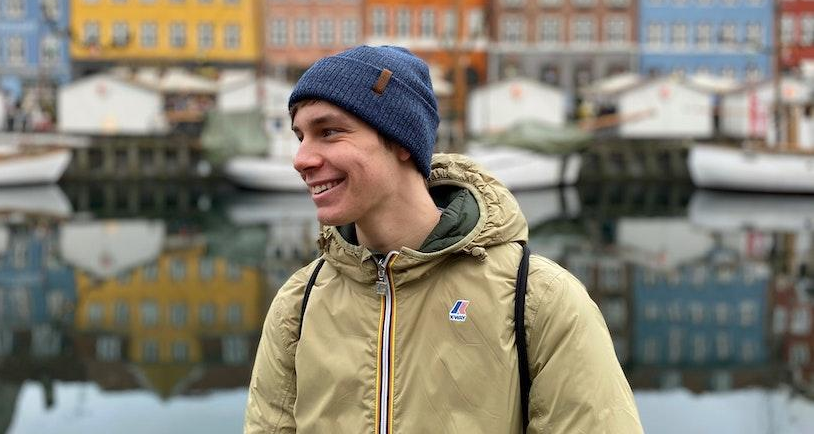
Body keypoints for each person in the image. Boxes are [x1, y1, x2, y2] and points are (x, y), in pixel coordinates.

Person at [244, 45, 643, 433]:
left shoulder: (540, 301)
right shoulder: (298, 304)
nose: (301, 159)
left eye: (329, 132)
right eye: (301, 137)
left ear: (400, 140)